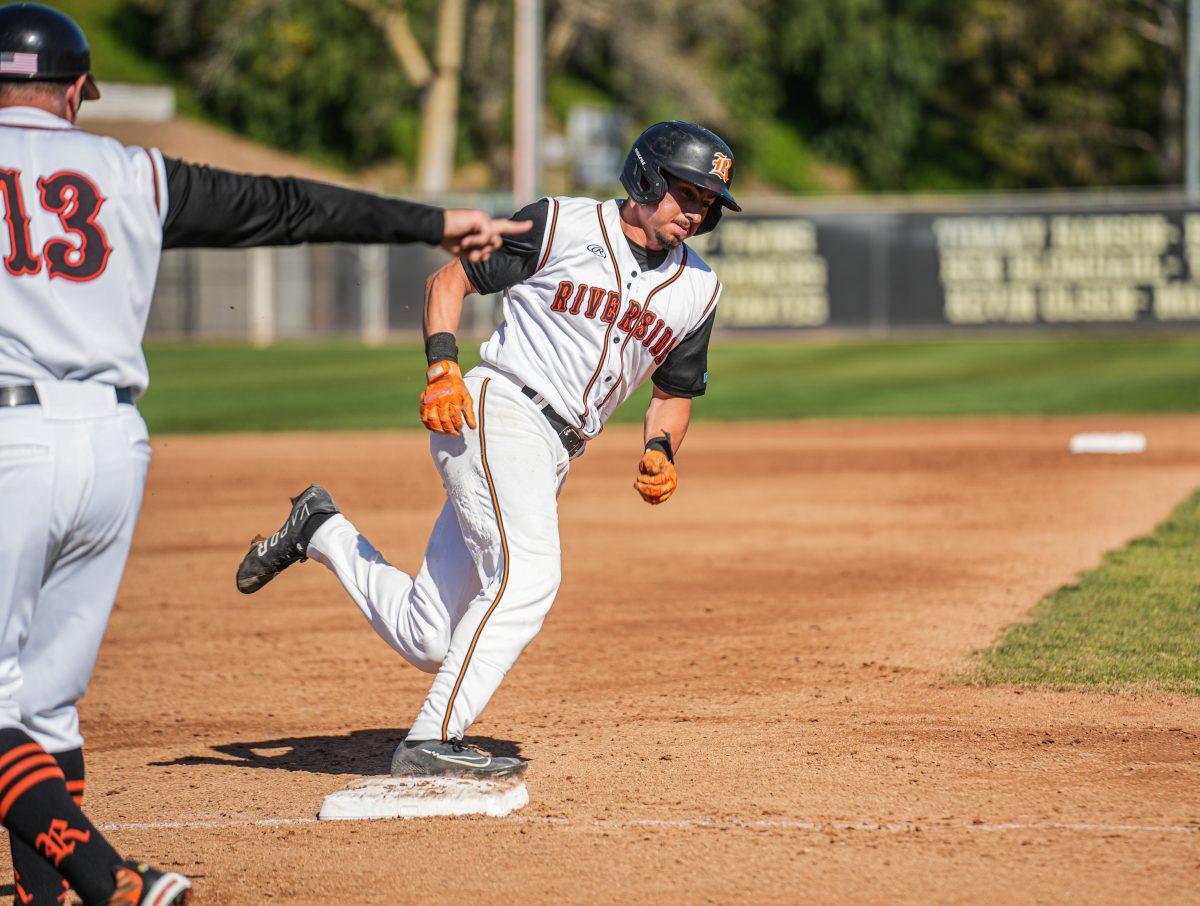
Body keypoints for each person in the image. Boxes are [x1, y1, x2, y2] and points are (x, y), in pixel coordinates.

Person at [0, 3, 529, 902]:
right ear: (80, 91)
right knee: (43, 708)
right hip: (112, 443)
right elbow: (286, 208)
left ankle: (106, 880)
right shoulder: (134, 171)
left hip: (8, 437)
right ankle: (42, 894)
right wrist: (430, 220)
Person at [237, 120, 738, 779]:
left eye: (708, 203)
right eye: (687, 192)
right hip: (498, 408)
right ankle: (431, 739)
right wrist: (441, 366)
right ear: (646, 177)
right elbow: (449, 283)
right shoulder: (560, 225)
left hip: (552, 451)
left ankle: (321, 530)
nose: (696, 210)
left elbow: (675, 393)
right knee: (528, 576)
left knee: (430, 636)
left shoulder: (697, 290)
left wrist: (660, 450)